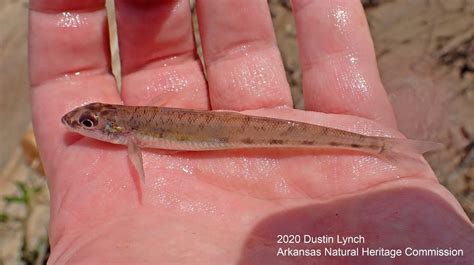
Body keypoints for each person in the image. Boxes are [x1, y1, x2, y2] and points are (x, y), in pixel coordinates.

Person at [29, 0, 472, 264]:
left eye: (88, 124)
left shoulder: (131, 131)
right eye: (87, 122)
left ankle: (376, 147)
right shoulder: (131, 125)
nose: (79, 128)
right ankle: (376, 147)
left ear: (120, 128)